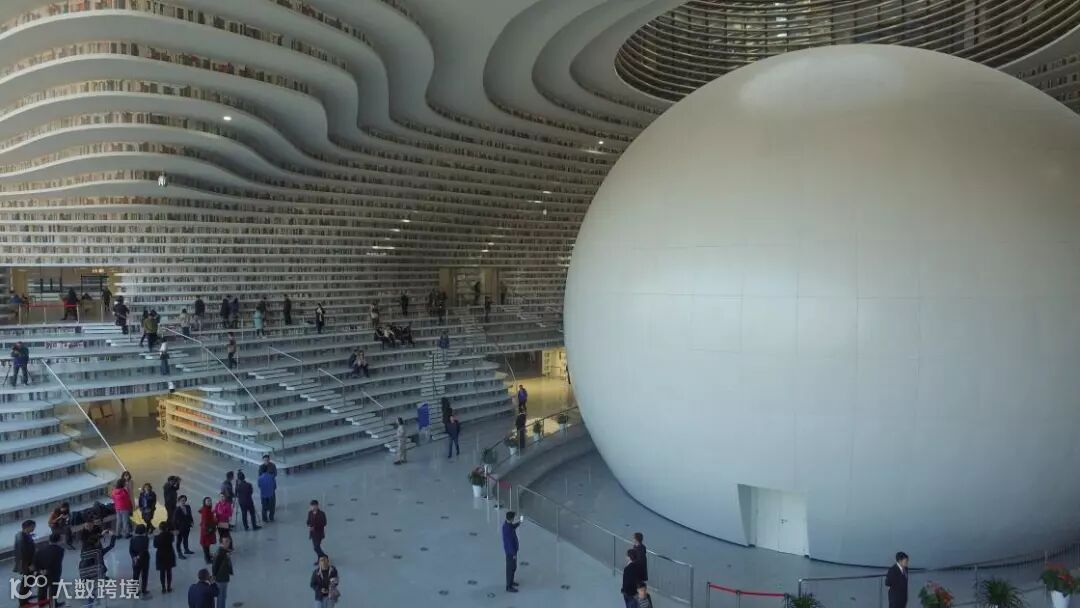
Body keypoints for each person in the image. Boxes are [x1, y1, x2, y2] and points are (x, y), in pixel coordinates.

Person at [33, 532, 65, 606]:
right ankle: (53, 605)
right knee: (53, 591)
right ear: (59, 540)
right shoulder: (60, 550)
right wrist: (47, 570)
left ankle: (41, 605)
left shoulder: (40, 549)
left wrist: (40, 570)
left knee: (42, 590)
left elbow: (35, 561)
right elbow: (56, 563)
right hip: (53, 574)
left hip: (41, 573)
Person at [12, 520, 35, 598]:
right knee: (27, 579)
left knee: (29, 579)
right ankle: (23, 598)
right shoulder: (22, 538)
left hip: (26, 562)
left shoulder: (24, 535)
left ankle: (26, 595)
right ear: (27, 527)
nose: (33, 528)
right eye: (32, 527)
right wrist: (29, 564)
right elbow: (24, 553)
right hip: (27, 563)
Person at [129, 524, 152, 598]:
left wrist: (134, 557)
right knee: (144, 575)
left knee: (135, 575)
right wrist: (138, 557)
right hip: (145, 559)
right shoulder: (146, 539)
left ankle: (135, 591)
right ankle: (144, 590)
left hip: (135, 561)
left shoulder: (132, 539)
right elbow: (144, 549)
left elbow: (130, 550)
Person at [155, 520, 177, 593]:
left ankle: (163, 587)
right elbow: (172, 540)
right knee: (169, 571)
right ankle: (169, 587)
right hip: (169, 554)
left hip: (160, 555)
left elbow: (155, 545)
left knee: (162, 572)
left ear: (160, 528)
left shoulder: (157, 537)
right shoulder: (170, 535)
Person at [502, 511, 521, 592]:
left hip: (511, 551)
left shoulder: (507, 525)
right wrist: (513, 554)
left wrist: (518, 523)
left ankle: (511, 581)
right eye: (513, 518)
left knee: (513, 567)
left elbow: (512, 527)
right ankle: (509, 586)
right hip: (510, 552)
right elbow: (510, 543)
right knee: (510, 568)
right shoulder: (507, 529)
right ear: (511, 519)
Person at [212, 536, 234, 607]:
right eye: (226, 541)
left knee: (223, 595)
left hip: (224, 577)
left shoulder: (225, 551)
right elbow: (214, 566)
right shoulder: (219, 553)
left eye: (228, 541)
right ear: (221, 543)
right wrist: (214, 577)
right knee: (221, 596)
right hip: (220, 578)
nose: (228, 543)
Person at [174, 495, 195, 559]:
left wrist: (192, 522)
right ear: (179, 501)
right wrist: (176, 529)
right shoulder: (177, 509)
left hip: (187, 526)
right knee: (179, 541)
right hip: (180, 528)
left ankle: (186, 550)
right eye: (182, 500)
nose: (183, 502)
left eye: (184, 500)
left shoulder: (188, 507)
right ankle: (179, 553)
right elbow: (174, 520)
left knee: (186, 539)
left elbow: (190, 515)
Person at [198, 497, 217, 564]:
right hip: (206, 531)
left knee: (207, 545)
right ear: (204, 502)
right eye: (208, 501)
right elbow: (205, 521)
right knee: (205, 545)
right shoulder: (205, 510)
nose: (209, 502)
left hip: (206, 530)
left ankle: (208, 556)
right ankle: (207, 559)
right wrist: (209, 529)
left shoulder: (207, 509)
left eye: (210, 501)